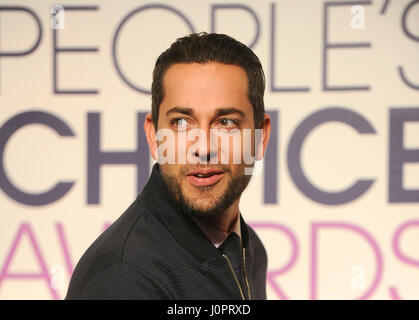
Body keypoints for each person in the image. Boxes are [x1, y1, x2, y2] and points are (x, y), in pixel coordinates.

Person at [65, 32, 271, 300]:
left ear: (260, 137)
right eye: (181, 123)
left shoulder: (248, 248)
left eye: (226, 123)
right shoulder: (123, 277)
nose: (203, 148)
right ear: (153, 136)